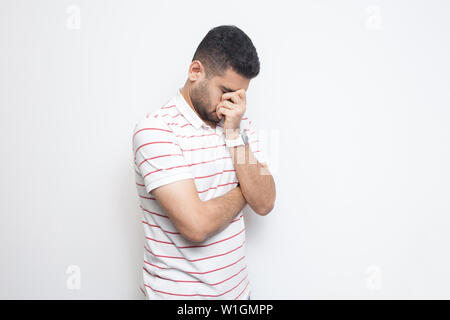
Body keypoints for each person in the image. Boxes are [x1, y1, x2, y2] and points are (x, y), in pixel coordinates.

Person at [132, 25, 276, 300]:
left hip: (238, 295)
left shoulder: (237, 123)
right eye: (225, 90)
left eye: (240, 94)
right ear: (195, 71)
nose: (232, 103)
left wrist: (234, 135)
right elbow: (196, 225)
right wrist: (244, 189)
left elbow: (265, 202)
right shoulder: (155, 131)